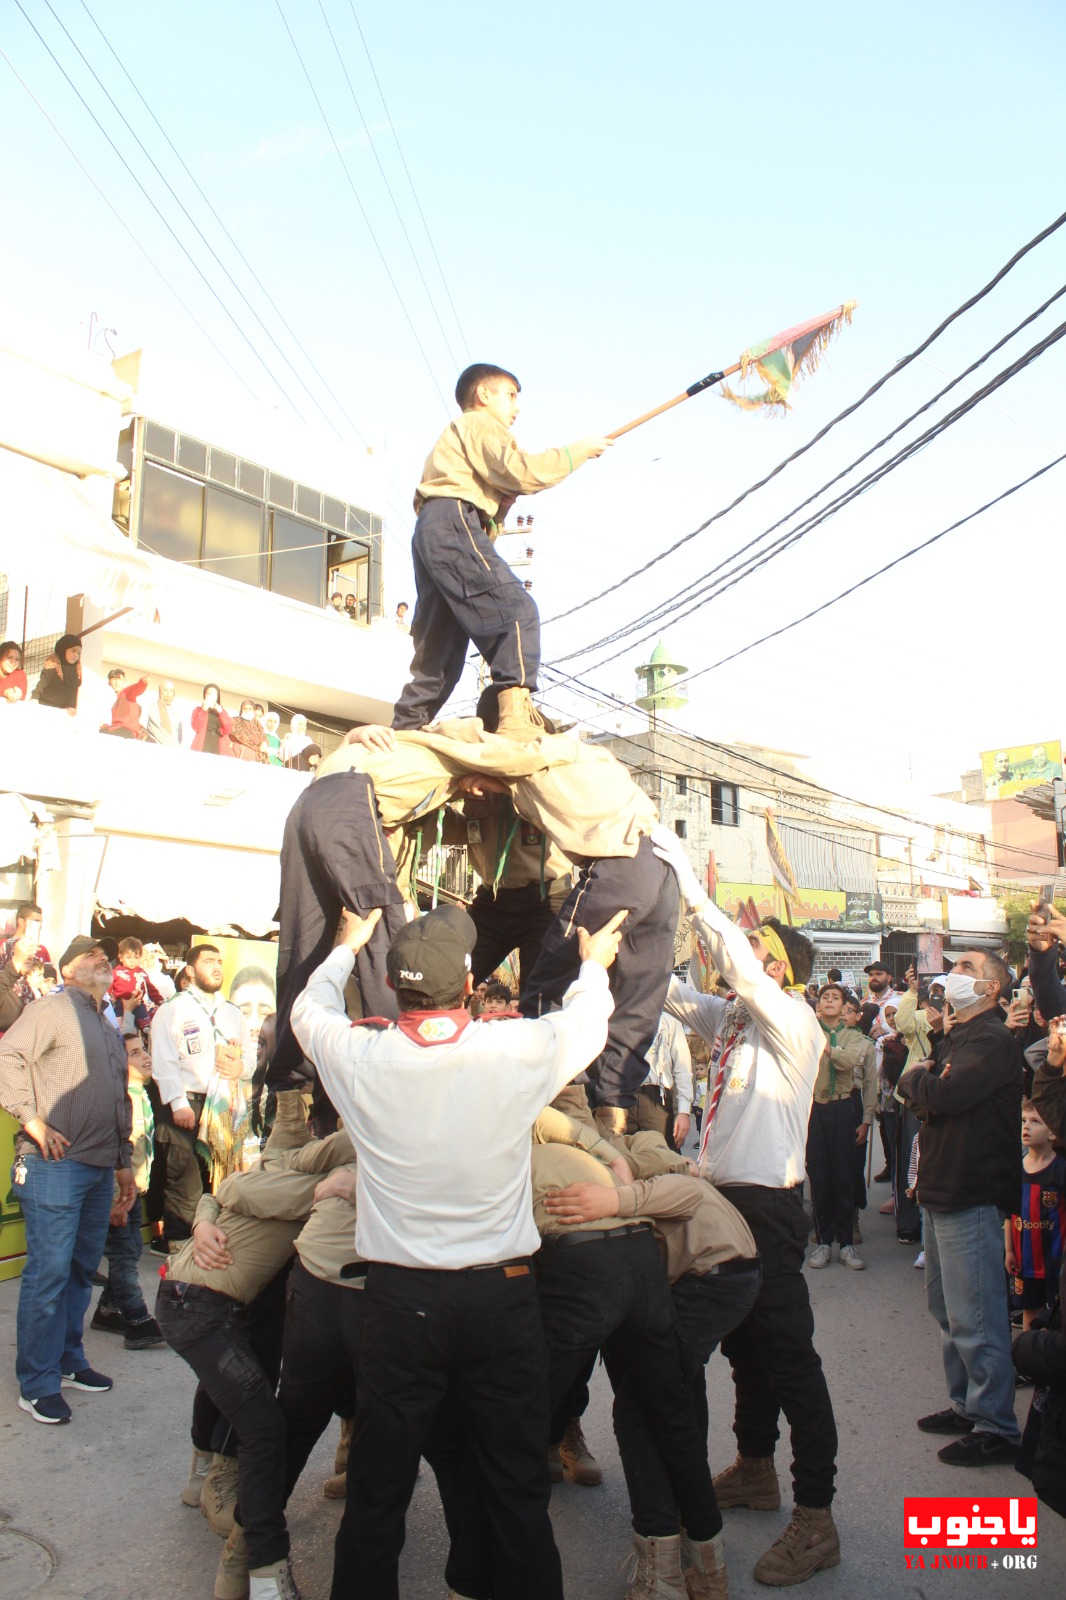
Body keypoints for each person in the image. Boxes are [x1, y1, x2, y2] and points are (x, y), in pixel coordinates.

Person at [291, 901, 624, 1600]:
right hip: (499, 1299)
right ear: (470, 985)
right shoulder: (513, 1050)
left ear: (393, 988)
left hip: (399, 1304)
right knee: (514, 1484)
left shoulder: (360, 1054)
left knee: (379, 1487)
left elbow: (309, 1009)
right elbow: (588, 1022)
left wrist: (344, 947)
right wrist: (592, 967)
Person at [651, 827, 841, 1588]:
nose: (742, 956)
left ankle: (817, 1515)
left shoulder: (793, 1023)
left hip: (766, 1208)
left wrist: (697, 893)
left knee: (790, 1355)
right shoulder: (731, 1020)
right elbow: (667, 989)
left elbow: (733, 961)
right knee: (745, 1347)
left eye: (759, 947)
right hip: (720, 1200)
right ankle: (755, 1467)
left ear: (779, 969)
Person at [391, 362, 611, 738]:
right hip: (451, 520)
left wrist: (498, 510)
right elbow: (522, 470)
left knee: (439, 655)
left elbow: (491, 505)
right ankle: (513, 718)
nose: (516, 408)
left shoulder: (459, 441)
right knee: (516, 612)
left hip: (435, 527)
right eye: (510, 395)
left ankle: (403, 731)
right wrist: (578, 452)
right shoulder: (479, 423)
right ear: (483, 395)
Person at [896, 948, 1023, 1465]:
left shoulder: (992, 1040)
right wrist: (921, 1080)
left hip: (970, 1192)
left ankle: (996, 1423)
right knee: (947, 1310)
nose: (954, 974)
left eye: (967, 968)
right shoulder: (956, 1036)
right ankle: (966, 1405)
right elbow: (921, 1088)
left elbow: (935, 1095)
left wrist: (917, 1081)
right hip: (939, 1187)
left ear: (992, 988)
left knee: (976, 1315)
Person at [0, 935, 134, 1424]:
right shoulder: (52, 1009)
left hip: (99, 1167)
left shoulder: (104, 1019)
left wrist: (124, 1162)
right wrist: (32, 1120)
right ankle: (36, 1383)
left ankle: (68, 1361)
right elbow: (6, 1057)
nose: (102, 958)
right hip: (53, 1165)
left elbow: (119, 1098)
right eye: (90, 956)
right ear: (69, 971)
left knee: (79, 1272)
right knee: (49, 1274)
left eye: (104, 954)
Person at [150, 944, 246, 1244]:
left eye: (219, 961)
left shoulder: (231, 1012)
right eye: (208, 961)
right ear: (190, 970)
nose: (216, 967)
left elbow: (252, 1054)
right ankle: (179, 1244)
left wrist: (242, 1067)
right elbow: (163, 1060)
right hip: (188, 1102)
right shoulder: (172, 1009)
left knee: (218, 1178)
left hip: (222, 1104)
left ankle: (212, 1240)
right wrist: (178, 1102)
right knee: (186, 1180)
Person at [90, 1032, 164, 1349]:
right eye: (135, 1053)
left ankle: (107, 1310)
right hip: (117, 1191)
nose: (145, 1056)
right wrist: (115, 1196)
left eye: (143, 1049)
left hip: (132, 1188)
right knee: (123, 1255)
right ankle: (137, 1319)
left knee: (130, 1250)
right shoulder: (115, 1098)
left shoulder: (138, 1094)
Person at [806, 983, 876, 1271]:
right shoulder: (806, 1035)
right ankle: (823, 1241)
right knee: (819, 1177)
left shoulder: (857, 1038)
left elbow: (855, 1070)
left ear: (845, 1006)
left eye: (836, 998)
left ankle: (846, 1242)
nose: (831, 1001)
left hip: (844, 1108)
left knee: (845, 1176)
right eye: (826, 997)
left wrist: (867, 1119)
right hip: (815, 1110)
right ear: (819, 1005)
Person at [1005, 1100, 1066, 1331]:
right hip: (1025, 1263)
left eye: (1035, 1122)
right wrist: (1009, 1250)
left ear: (1052, 1132)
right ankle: (1029, 1360)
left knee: (1057, 1311)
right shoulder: (1016, 1168)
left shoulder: (1060, 1170)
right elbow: (1009, 1215)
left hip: (1055, 1261)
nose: (1026, 1127)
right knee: (1029, 1312)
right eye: (1023, 1121)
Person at [634, 1009, 694, 1152]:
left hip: (655, 1099)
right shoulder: (621, 1009)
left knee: (663, 1159)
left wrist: (684, 1112)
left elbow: (682, 1067)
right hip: (622, 1096)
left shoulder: (668, 1019)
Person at [32, 633, 82, 713]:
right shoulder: (53, 664)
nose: (76, 655)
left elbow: (74, 690)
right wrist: (34, 699)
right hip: (46, 706)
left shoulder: (77, 669)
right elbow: (42, 683)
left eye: (79, 653)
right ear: (63, 649)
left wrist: (72, 706)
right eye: (73, 651)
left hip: (64, 711)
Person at [100, 668, 148, 739]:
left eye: (119, 679)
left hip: (125, 732)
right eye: (114, 680)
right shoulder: (114, 700)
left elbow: (136, 688)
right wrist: (106, 727)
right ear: (109, 683)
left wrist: (142, 682)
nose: (116, 683)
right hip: (119, 731)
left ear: (124, 681)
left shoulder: (126, 693)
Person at [191, 684, 234, 756]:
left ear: (217, 696)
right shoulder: (198, 710)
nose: (211, 696)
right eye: (209, 693)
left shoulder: (222, 711)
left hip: (219, 746)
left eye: (214, 694)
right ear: (205, 695)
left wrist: (221, 712)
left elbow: (228, 729)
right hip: (202, 745)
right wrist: (203, 710)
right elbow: (196, 727)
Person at [146, 679, 183, 746]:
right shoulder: (153, 708)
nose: (168, 694)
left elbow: (179, 737)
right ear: (160, 692)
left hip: (173, 749)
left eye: (171, 691)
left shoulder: (176, 713)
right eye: (165, 690)